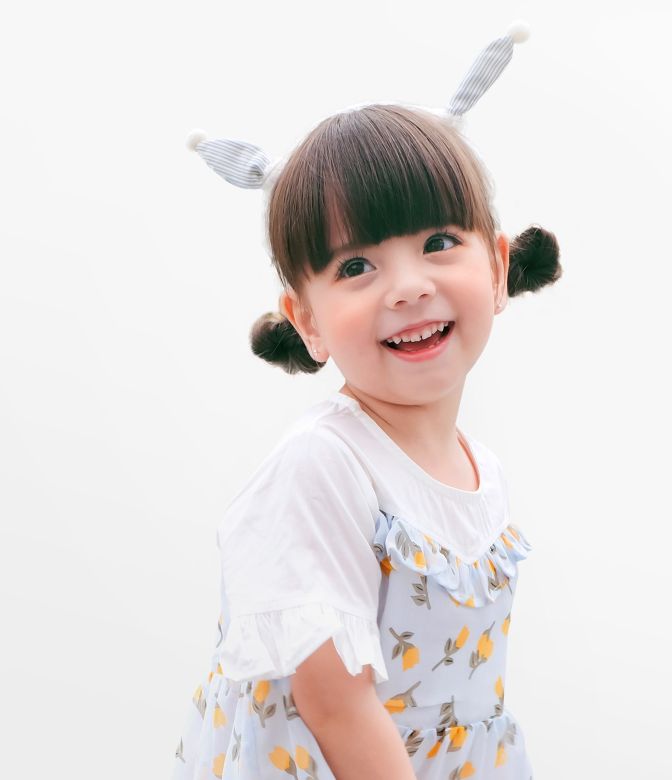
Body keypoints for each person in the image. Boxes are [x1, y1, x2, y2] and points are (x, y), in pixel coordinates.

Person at [174, 22, 561, 780]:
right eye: (356, 266)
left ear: (497, 267)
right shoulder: (324, 465)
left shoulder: (481, 469)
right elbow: (335, 702)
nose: (408, 287)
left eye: (439, 242)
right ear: (307, 321)